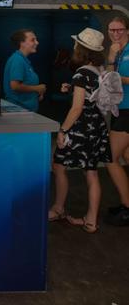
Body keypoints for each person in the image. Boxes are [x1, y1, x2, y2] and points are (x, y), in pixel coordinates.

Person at [48, 28, 111, 233]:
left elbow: (76, 108)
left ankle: (58, 209)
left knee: (58, 165)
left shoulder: (81, 73)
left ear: (81, 49)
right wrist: (72, 88)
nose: (74, 47)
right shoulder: (99, 70)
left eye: (76, 44)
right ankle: (91, 221)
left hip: (80, 128)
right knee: (91, 173)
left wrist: (62, 131)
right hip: (97, 127)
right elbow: (90, 96)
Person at [104, 15, 129, 225]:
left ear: (127, 30)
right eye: (112, 30)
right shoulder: (116, 51)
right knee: (127, 156)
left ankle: (127, 206)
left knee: (111, 158)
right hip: (119, 108)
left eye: (119, 30)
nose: (115, 34)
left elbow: (112, 80)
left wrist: (116, 77)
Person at [3, 29, 46, 111]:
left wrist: (36, 94)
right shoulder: (17, 60)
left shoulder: (23, 60)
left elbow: (26, 83)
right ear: (21, 43)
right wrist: (37, 88)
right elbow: (15, 86)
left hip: (25, 110)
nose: (37, 43)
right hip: (18, 111)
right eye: (33, 40)